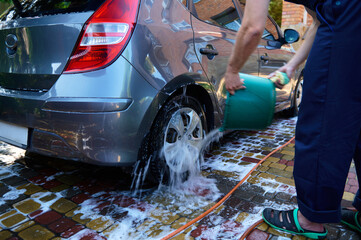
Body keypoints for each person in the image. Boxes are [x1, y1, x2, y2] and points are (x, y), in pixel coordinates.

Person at [225, 0, 361, 239]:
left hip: (346, 18)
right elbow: (320, 20)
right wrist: (290, 66)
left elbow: (253, 28)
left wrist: (232, 70)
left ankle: (310, 218)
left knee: (323, 118)